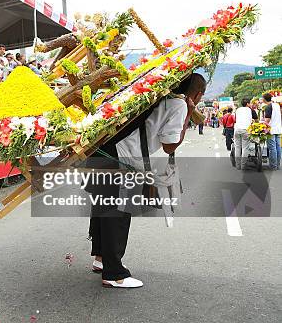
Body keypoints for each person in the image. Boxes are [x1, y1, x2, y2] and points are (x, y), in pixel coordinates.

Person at [88, 73, 206, 289]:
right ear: (197, 94)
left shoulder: (159, 95)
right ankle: (114, 274)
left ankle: (101, 259)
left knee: (102, 207)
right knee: (118, 213)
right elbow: (170, 145)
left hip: (103, 150)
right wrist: (189, 112)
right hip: (121, 158)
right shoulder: (178, 105)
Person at [234, 99, 254, 170]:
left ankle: (238, 166)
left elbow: (235, 120)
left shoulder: (238, 109)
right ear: (247, 104)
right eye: (250, 103)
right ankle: (243, 166)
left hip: (237, 129)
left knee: (237, 147)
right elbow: (254, 120)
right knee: (245, 148)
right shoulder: (250, 110)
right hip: (245, 130)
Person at [263, 93, 282, 170]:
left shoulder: (268, 106)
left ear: (264, 99)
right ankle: (277, 165)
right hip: (278, 128)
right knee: (278, 147)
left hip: (271, 129)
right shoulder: (276, 105)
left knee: (272, 148)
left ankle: (273, 166)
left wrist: (263, 125)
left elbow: (267, 120)